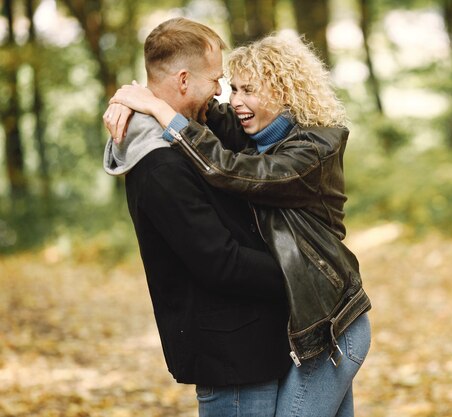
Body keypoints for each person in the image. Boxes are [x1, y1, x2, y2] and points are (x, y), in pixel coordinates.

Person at [105, 33, 372, 417]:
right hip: (309, 323)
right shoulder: (256, 134)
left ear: (285, 93)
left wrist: (159, 111)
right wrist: (129, 97)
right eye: (231, 87)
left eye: (249, 90)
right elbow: (190, 99)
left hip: (334, 325)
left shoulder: (312, 149)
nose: (233, 100)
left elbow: (229, 169)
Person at [101, 18, 293, 417]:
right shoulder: (157, 163)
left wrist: (137, 96)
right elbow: (220, 262)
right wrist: (299, 273)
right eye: (216, 79)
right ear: (184, 80)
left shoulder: (190, 132)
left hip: (252, 346)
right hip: (231, 360)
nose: (221, 91)